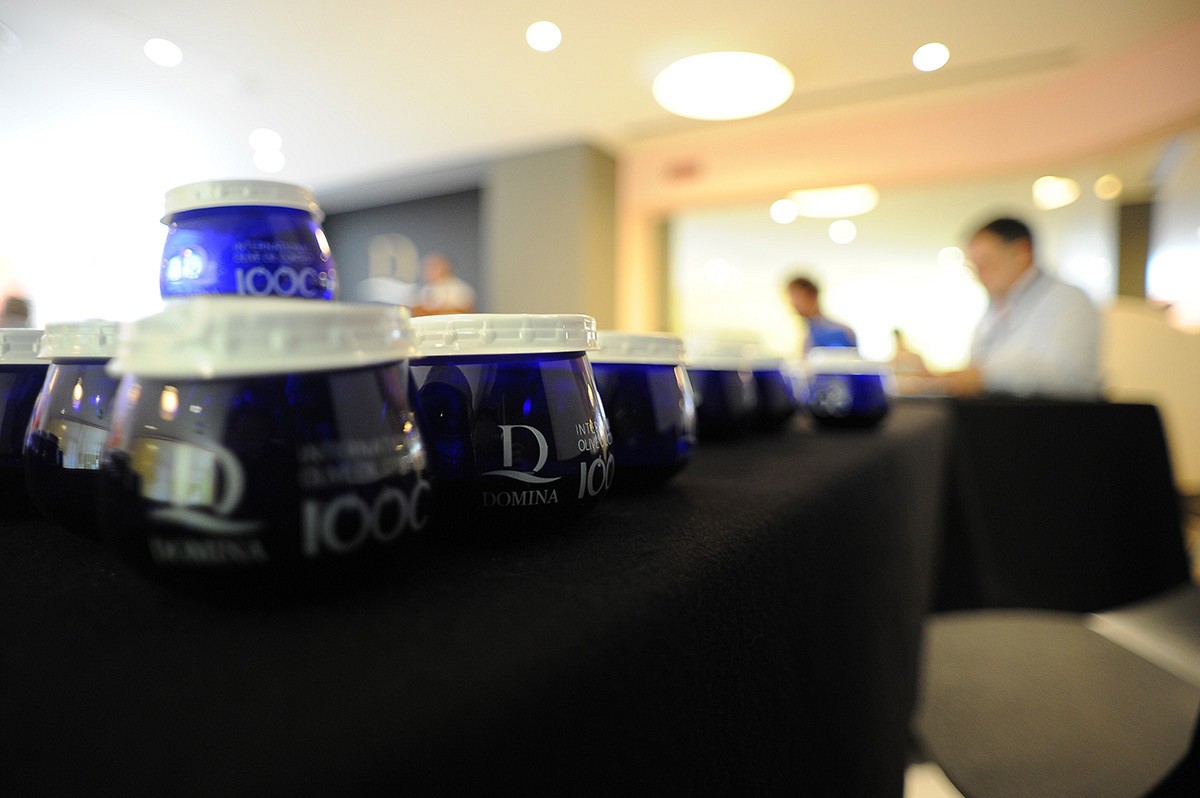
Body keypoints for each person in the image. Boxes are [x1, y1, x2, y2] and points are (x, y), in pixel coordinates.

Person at [937, 217, 1101, 397]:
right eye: (974, 266)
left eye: (986, 263)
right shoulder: (993, 308)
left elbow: (1068, 374)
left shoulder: (1068, 299)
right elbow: (977, 366)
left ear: (1021, 252)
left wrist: (985, 375)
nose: (979, 274)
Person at [785, 275, 856, 351]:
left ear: (811, 295)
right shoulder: (805, 334)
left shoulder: (839, 332)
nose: (793, 303)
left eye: (796, 296)